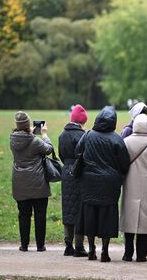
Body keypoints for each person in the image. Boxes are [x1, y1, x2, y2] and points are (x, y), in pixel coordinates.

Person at [75, 106, 130, 262]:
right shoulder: (117, 139)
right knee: (107, 216)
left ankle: (92, 250)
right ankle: (105, 251)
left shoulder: (88, 135)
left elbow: (77, 151)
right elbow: (124, 164)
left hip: (89, 181)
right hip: (110, 183)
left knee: (90, 214)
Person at [10, 111, 54, 252]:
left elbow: (26, 142)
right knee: (40, 214)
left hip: (20, 182)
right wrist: (45, 134)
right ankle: (40, 246)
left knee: (24, 214)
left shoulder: (13, 139)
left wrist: (30, 132)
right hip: (38, 183)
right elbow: (48, 149)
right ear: (27, 124)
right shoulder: (35, 141)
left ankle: (24, 245)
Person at [120, 114, 147, 262]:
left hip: (130, 184)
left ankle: (128, 253)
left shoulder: (125, 142)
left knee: (129, 219)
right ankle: (142, 255)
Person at [58, 104, 89, 257]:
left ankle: (68, 244)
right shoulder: (82, 136)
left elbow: (61, 156)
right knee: (79, 211)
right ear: (82, 121)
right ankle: (79, 246)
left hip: (66, 171)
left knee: (68, 209)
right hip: (79, 173)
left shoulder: (62, 134)